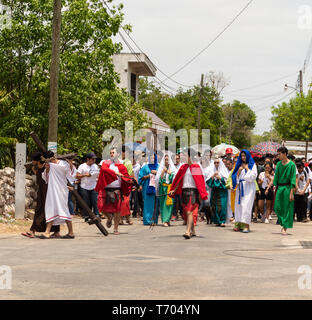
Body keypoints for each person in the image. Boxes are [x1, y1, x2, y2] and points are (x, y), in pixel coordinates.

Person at [169, 148, 208, 239]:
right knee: (187, 212)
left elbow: (200, 182)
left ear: (190, 156)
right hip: (184, 191)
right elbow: (178, 180)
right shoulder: (184, 167)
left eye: (185, 155)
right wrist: (173, 190)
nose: (183, 157)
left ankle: (187, 231)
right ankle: (193, 230)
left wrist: (201, 194)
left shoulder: (195, 167)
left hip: (192, 191)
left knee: (189, 211)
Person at [21, 152, 61, 238]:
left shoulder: (46, 167)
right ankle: (55, 231)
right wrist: (35, 171)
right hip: (42, 192)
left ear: (37, 160)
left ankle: (32, 231)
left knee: (42, 211)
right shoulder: (38, 168)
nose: (32, 161)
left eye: (33, 160)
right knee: (43, 211)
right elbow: (39, 180)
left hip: (47, 192)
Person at [96, 147, 132, 235]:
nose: (111, 154)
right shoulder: (106, 163)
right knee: (100, 206)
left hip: (117, 190)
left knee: (117, 210)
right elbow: (104, 169)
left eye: (113, 152)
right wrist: (115, 173)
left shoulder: (122, 165)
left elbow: (126, 176)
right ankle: (109, 217)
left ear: (118, 154)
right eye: (110, 152)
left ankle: (116, 228)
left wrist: (130, 181)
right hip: (105, 189)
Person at [41, 151, 75, 239]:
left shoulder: (64, 164)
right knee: (51, 208)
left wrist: (70, 164)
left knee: (63, 209)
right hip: (52, 190)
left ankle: (71, 232)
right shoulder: (49, 165)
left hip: (62, 190)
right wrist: (47, 169)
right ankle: (47, 232)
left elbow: (71, 174)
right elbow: (45, 178)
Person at [231, 150, 258, 233]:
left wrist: (246, 168)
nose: (243, 157)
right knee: (239, 205)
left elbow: (253, 176)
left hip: (249, 188)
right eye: (242, 156)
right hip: (240, 187)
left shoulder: (252, 164)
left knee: (246, 206)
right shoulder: (239, 164)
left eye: (244, 156)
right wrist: (239, 171)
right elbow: (234, 176)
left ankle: (246, 225)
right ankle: (238, 224)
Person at [273, 147, 297, 235]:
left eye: (279, 154)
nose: (278, 156)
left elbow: (293, 179)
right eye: (277, 154)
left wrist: (292, 192)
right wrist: (274, 187)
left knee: (287, 208)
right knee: (277, 207)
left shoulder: (291, 165)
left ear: (285, 154)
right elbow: (276, 176)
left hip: (288, 188)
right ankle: (283, 222)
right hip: (279, 188)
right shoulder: (278, 164)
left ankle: (285, 227)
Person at [76, 152, 100, 222]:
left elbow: (98, 174)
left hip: (93, 186)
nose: (94, 160)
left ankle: (97, 215)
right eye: (92, 159)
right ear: (88, 159)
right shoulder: (82, 166)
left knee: (95, 201)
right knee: (86, 202)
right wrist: (85, 175)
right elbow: (77, 175)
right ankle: (86, 216)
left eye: (94, 159)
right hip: (84, 187)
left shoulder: (95, 166)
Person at [156, 152, 176, 227]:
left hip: (169, 188)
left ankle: (167, 220)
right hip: (162, 187)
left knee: (168, 204)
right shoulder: (161, 168)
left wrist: (169, 173)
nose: (166, 161)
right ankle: (165, 220)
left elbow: (175, 176)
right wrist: (163, 172)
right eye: (165, 160)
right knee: (162, 204)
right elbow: (158, 179)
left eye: (167, 160)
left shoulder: (172, 168)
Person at [206, 158, 228, 227]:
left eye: (217, 163)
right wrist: (213, 176)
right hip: (214, 191)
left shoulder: (224, 171)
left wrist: (220, 178)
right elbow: (208, 182)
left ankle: (222, 221)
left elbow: (227, 182)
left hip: (222, 192)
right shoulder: (212, 171)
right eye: (215, 163)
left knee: (222, 206)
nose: (216, 164)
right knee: (214, 206)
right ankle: (217, 221)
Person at [138, 153, 159, 225]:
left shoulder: (158, 167)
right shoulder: (145, 167)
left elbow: (163, 176)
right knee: (147, 204)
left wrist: (156, 173)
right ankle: (147, 220)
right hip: (147, 188)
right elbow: (140, 178)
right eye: (151, 158)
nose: (153, 159)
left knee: (155, 204)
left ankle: (154, 220)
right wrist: (148, 176)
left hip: (156, 188)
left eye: (154, 158)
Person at [120, 145, 134, 225]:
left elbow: (130, 174)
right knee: (120, 202)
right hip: (118, 184)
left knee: (125, 202)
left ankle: (127, 218)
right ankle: (122, 219)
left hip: (126, 184)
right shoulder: (117, 161)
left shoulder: (128, 162)